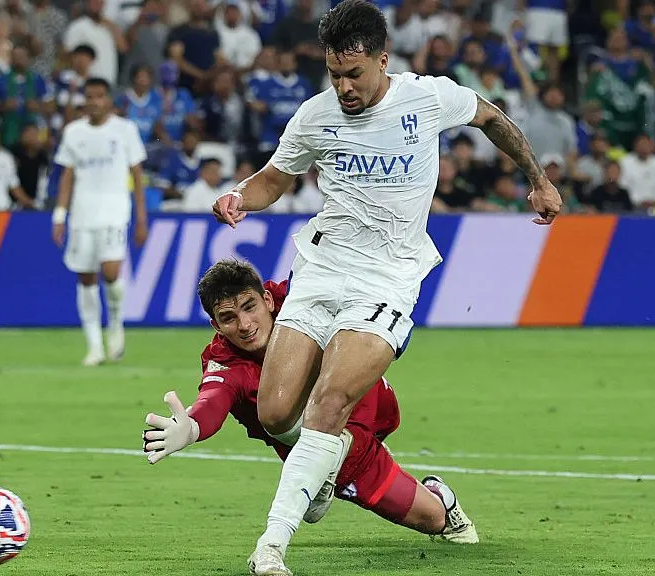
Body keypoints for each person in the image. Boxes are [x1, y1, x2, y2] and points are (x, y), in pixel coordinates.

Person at [211, 2, 562, 574]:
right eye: (334, 75)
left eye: (354, 74)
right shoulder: (315, 115)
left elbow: (492, 117)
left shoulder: (428, 97)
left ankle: (270, 546)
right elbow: (275, 177)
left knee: (329, 403)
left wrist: (538, 179)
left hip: (388, 277)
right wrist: (238, 198)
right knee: (275, 414)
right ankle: (321, 467)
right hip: (322, 268)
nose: (344, 87)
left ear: (382, 59)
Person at [142, 260, 451, 536]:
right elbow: (212, 398)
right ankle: (437, 494)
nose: (245, 325)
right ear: (216, 326)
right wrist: (192, 428)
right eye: (229, 317)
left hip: (366, 401)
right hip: (327, 449)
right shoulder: (227, 363)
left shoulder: (301, 298)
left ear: (267, 300)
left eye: (249, 307)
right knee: (434, 519)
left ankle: (326, 467)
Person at [51, 78, 149, 366]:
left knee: (110, 271)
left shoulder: (125, 130)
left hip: (115, 210)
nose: (94, 101)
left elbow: (138, 176)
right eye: (89, 96)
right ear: (84, 100)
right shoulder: (73, 132)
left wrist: (141, 217)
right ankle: (94, 346)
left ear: (108, 100)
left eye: (100, 96)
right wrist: (59, 215)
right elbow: (67, 177)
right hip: (82, 213)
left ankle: (116, 323)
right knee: (86, 277)